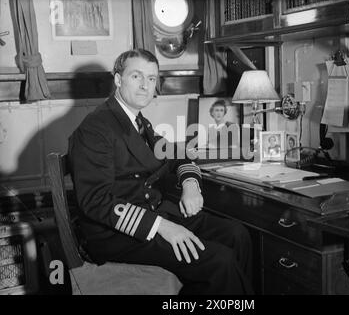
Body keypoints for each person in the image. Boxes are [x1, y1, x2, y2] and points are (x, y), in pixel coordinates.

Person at [68, 49, 253, 295]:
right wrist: (162, 227)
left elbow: (176, 154)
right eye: (137, 76)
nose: (146, 86)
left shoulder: (136, 121)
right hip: (116, 235)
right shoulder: (96, 128)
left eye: (152, 78)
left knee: (236, 235)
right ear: (118, 79)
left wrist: (190, 185)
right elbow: (96, 201)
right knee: (219, 261)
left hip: (153, 214)